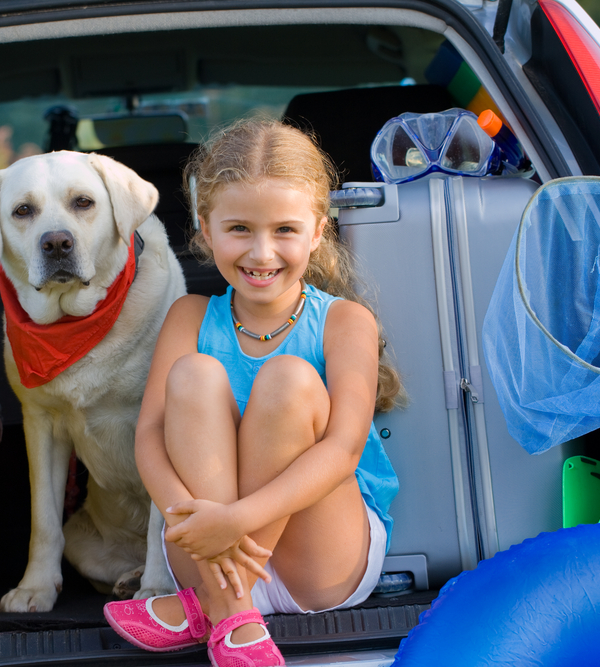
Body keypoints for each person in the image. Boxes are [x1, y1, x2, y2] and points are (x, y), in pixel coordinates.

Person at [103, 117, 401, 667]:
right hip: (208, 552)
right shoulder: (189, 317)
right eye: (239, 228)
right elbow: (149, 435)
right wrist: (185, 518)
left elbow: (343, 452)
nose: (262, 253)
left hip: (320, 562)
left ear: (317, 231)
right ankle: (235, 617)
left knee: (288, 379)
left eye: (284, 230)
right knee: (193, 375)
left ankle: (209, 610)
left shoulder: (345, 322)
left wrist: (234, 522)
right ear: (205, 227)